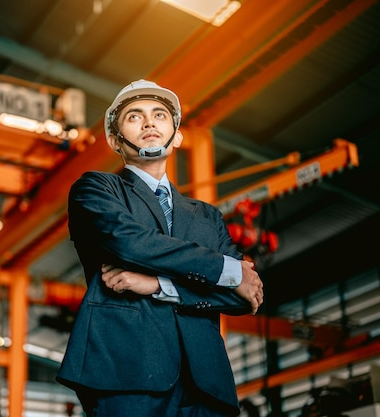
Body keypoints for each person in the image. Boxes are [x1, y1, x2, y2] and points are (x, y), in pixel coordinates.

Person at [56, 80, 264, 417]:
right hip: (128, 377)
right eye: (134, 117)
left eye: (160, 115)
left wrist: (158, 285)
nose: (150, 123)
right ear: (114, 141)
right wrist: (225, 270)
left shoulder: (207, 216)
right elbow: (129, 241)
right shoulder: (96, 188)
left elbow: (243, 295)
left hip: (206, 386)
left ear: (176, 135)